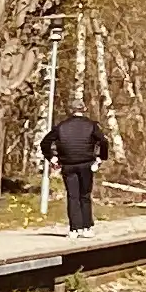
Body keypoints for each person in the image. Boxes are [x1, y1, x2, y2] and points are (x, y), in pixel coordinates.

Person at [42, 99, 108, 233]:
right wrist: (101, 158)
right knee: (84, 195)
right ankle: (87, 227)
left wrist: (52, 158)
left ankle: (74, 228)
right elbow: (103, 141)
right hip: (86, 164)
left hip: (68, 165)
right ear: (83, 109)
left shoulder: (61, 126)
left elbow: (45, 142)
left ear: (70, 110)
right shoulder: (91, 125)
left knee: (72, 196)